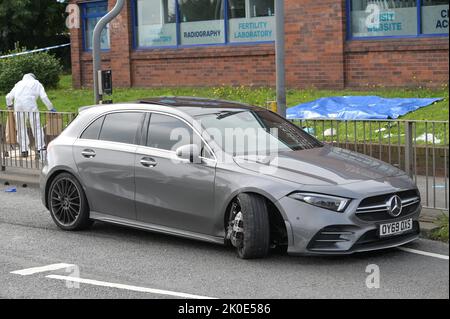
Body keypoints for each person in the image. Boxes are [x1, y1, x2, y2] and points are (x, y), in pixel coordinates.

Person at [5, 73, 57, 158]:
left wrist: (10, 106)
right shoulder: (37, 83)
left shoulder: (18, 84)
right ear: (33, 77)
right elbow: (44, 97)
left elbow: (8, 97)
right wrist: (50, 108)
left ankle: (23, 150)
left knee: (21, 128)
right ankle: (40, 149)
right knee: (36, 127)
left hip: (18, 107)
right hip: (31, 106)